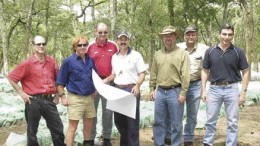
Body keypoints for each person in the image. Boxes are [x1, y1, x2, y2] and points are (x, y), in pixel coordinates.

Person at [7, 35, 66, 146]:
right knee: (32, 133)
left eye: (43, 44)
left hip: (49, 100)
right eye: (38, 44)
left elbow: (59, 79)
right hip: (33, 101)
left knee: (58, 129)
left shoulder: (51, 61)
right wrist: (21, 92)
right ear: (33, 46)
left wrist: (58, 95)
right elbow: (11, 77)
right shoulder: (27, 63)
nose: (41, 46)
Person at [201, 24, 249, 146]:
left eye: (230, 35)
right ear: (219, 34)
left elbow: (246, 71)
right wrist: (203, 90)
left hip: (232, 89)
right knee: (211, 120)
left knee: (232, 121)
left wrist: (243, 93)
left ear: (233, 35)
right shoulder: (210, 51)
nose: (226, 37)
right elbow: (205, 71)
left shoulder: (238, 52)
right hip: (214, 89)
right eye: (224, 34)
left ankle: (231, 144)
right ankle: (208, 143)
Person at [149, 26, 190, 146]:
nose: (168, 38)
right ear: (162, 38)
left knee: (176, 123)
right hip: (160, 92)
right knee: (158, 122)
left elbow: (186, 75)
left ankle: (175, 144)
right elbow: (153, 72)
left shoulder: (182, 53)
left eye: (171, 35)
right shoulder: (158, 54)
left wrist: (183, 93)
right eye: (166, 36)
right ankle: (159, 143)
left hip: (175, 91)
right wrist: (152, 88)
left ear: (175, 37)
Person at [104, 31, 146, 146]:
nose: (123, 41)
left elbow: (142, 73)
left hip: (131, 91)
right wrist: (105, 80)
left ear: (128, 41)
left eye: (125, 39)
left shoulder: (136, 55)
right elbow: (114, 75)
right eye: (120, 39)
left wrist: (137, 85)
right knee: (119, 122)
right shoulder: (114, 57)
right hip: (117, 91)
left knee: (132, 124)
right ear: (117, 41)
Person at [56, 36, 97, 146]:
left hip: (89, 98)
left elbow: (96, 76)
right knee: (72, 127)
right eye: (80, 45)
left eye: (85, 45)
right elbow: (60, 82)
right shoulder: (68, 61)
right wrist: (63, 97)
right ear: (75, 47)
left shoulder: (90, 60)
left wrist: (96, 89)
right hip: (75, 98)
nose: (83, 47)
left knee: (88, 127)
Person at [176, 26, 209, 146]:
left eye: (193, 34)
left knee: (192, 113)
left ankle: (188, 138)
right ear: (184, 36)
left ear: (196, 36)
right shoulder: (177, 47)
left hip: (195, 85)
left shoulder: (204, 49)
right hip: (178, 85)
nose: (190, 37)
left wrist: (204, 88)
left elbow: (207, 68)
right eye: (188, 34)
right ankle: (176, 138)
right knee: (176, 113)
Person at [87, 22, 118, 146]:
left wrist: (109, 79)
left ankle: (106, 138)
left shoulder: (113, 46)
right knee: (92, 112)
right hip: (93, 84)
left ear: (107, 32)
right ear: (96, 32)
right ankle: (91, 138)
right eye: (100, 32)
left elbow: (117, 63)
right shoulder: (90, 46)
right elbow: (86, 65)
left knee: (108, 112)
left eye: (105, 32)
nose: (102, 34)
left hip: (109, 82)